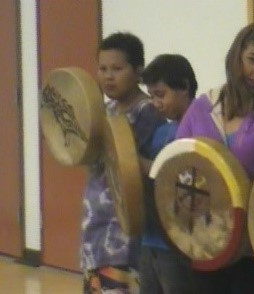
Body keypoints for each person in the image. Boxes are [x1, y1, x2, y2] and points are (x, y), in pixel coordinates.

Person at [175, 22, 254, 294]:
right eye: (253, 60)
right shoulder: (202, 107)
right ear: (237, 57)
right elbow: (177, 166)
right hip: (205, 241)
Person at [81, 32, 165, 293]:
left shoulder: (147, 111)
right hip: (95, 225)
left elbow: (123, 158)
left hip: (123, 232)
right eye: (103, 68)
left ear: (138, 71)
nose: (108, 76)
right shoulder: (103, 111)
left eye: (117, 68)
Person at [139, 54, 198, 293]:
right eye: (152, 95)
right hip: (149, 236)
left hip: (177, 242)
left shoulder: (202, 127)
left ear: (184, 87)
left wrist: (135, 161)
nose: (155, 103)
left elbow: (172, 174)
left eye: (160, 94)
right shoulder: (162, 130)